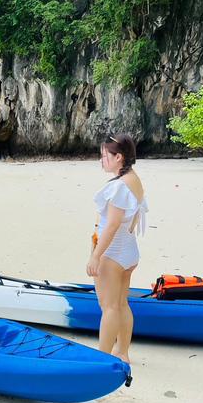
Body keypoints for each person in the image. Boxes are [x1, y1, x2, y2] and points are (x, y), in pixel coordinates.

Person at [87, 134, 148, 364]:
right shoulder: (133, 179)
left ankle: (101, 359)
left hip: (112, 254)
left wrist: (96, 255)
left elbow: (112, 225)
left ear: (119, 157)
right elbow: (132, 220)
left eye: (104, 156)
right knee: (122, 303)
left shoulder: (120, 187)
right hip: (129, 252)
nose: (101, 160)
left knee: (109, 307)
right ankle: (122, 352)